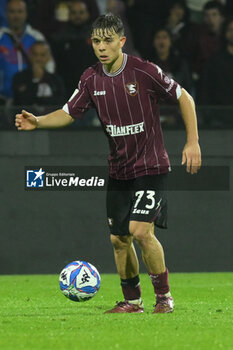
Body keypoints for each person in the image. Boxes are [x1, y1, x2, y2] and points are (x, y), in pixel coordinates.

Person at [15, 13, 201, 314]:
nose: (102, 47)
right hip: (119, 171)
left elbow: (185, 98)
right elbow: (68, 112)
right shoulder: (90, 78)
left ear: (121, 41)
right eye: (97, 41)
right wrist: (38, 122)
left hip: (151, 167)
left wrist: (192, 141)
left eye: (108, 40)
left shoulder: (144, 71)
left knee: (141, 231)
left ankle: (164, 298)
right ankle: (132, 302)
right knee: (119, 239)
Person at [0, 0, 54, 103]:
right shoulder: (0, 37)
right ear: (6, 13)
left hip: (31, 99)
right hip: (2, 100)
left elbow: (49, 66)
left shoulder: (36, 37)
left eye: (20, 11)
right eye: (12, 11)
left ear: (26, 13)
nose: (16, 15)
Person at [51, 0, 97, 97]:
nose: (77, 16)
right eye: (74, 13)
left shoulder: (97, 37)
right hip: (66, 89)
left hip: (91, 88)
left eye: (81, 12)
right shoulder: (59, 39)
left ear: (87, 14)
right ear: (69, 14)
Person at [12, 41, 65, 107]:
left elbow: (60, 103)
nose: (38, 59)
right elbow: (22, 102)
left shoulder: (56, 80)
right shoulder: (19, 78)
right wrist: (36, 79)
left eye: (42, 55)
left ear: (48, 57)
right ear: (30, 56)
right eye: (35, 54)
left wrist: (39, 101)